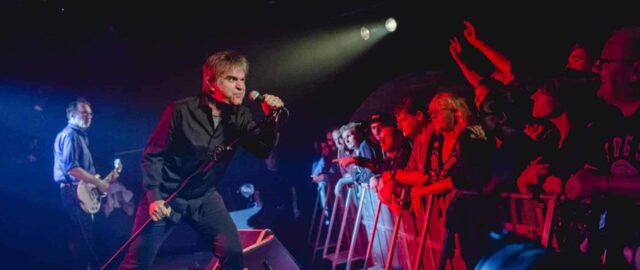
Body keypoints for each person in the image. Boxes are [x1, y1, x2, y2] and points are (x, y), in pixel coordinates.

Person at [119, 50, 284, 270]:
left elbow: (262, 151)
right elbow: (153, 154)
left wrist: (271, 120)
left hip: (204, 197)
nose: (240, 86)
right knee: (136, 264)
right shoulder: (180, 111)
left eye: (242, 79)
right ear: (211, 82)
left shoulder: (240, 116)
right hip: (168, 195)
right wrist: (154, 197)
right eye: (232, 79)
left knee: (233, 254)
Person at [565, 26, 640, 268]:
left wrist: (602, 183)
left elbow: (598, 181)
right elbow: (586, 175)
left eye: (605, 62)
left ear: (635, 70)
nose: (597, 68)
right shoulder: (605, 124)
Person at [54, 98, 118, 270]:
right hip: (73, 193)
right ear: (71, 114)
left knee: (85, 242)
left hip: (80, 193)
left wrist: (100, 183)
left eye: (90, 114)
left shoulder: (81, 137)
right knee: (82, 244)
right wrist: (97, 181)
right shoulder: (71, 135)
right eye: (84, 113)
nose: (88, 117)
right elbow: (72, 169)